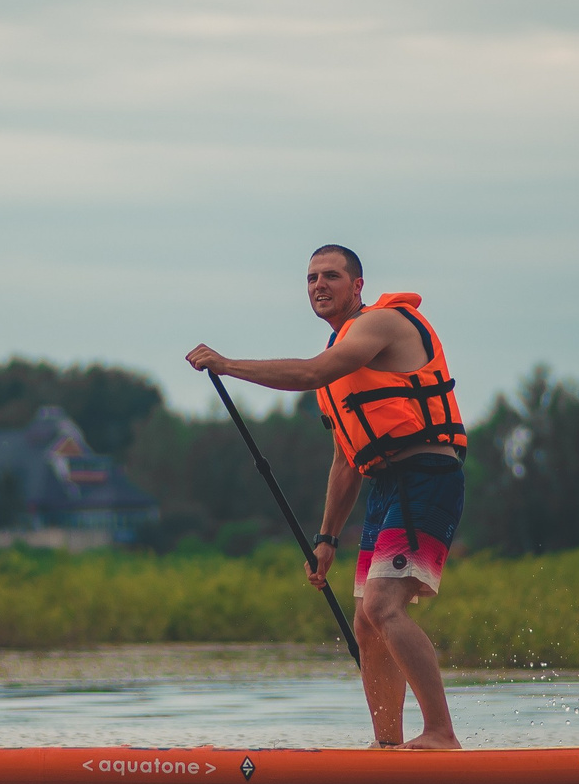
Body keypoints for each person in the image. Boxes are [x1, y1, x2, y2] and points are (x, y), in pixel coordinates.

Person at [186, 245, 468, 749]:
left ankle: (441, 734)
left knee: (384, 605)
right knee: (365, 622)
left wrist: (227, 365)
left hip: (427, 474)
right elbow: (345, 461)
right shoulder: (342, 373)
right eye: (312, 277)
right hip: (387, 485)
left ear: (357, 286)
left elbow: (313, 372)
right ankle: (388, 747)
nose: (319, 285)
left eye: (332, 276)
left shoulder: (381, 324)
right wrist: (326, 539)